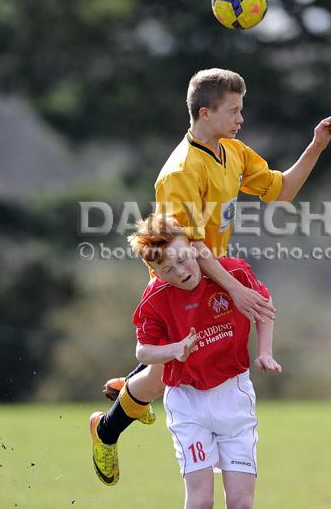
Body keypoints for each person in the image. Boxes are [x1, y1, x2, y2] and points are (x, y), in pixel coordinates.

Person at [90, 68, 331, 485]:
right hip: (181, 276)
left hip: (214, 273)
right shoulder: (181, 172)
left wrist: (317, 145)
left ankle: (130, 389)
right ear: (205, 113)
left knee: (176, 367)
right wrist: (236, 289)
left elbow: (283, 191)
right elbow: (186, 251)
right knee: (177, 370)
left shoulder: (234, 151)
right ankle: (107, 428)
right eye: (234, 111)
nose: (241, 119)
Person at [92, 214, 281, 507]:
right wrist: (175, 350)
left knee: (241, 503)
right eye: (167, 269)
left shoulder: (232, 275)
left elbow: (264, 307)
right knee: (201, 501)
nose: (180, 271)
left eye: (182, 259)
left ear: (195, 248)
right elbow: (143, 352)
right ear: (155, 272)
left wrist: (265, 352)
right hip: (187, 403)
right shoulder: (155, 299)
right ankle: (115, 416)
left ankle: (124, 395)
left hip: (234, 396)